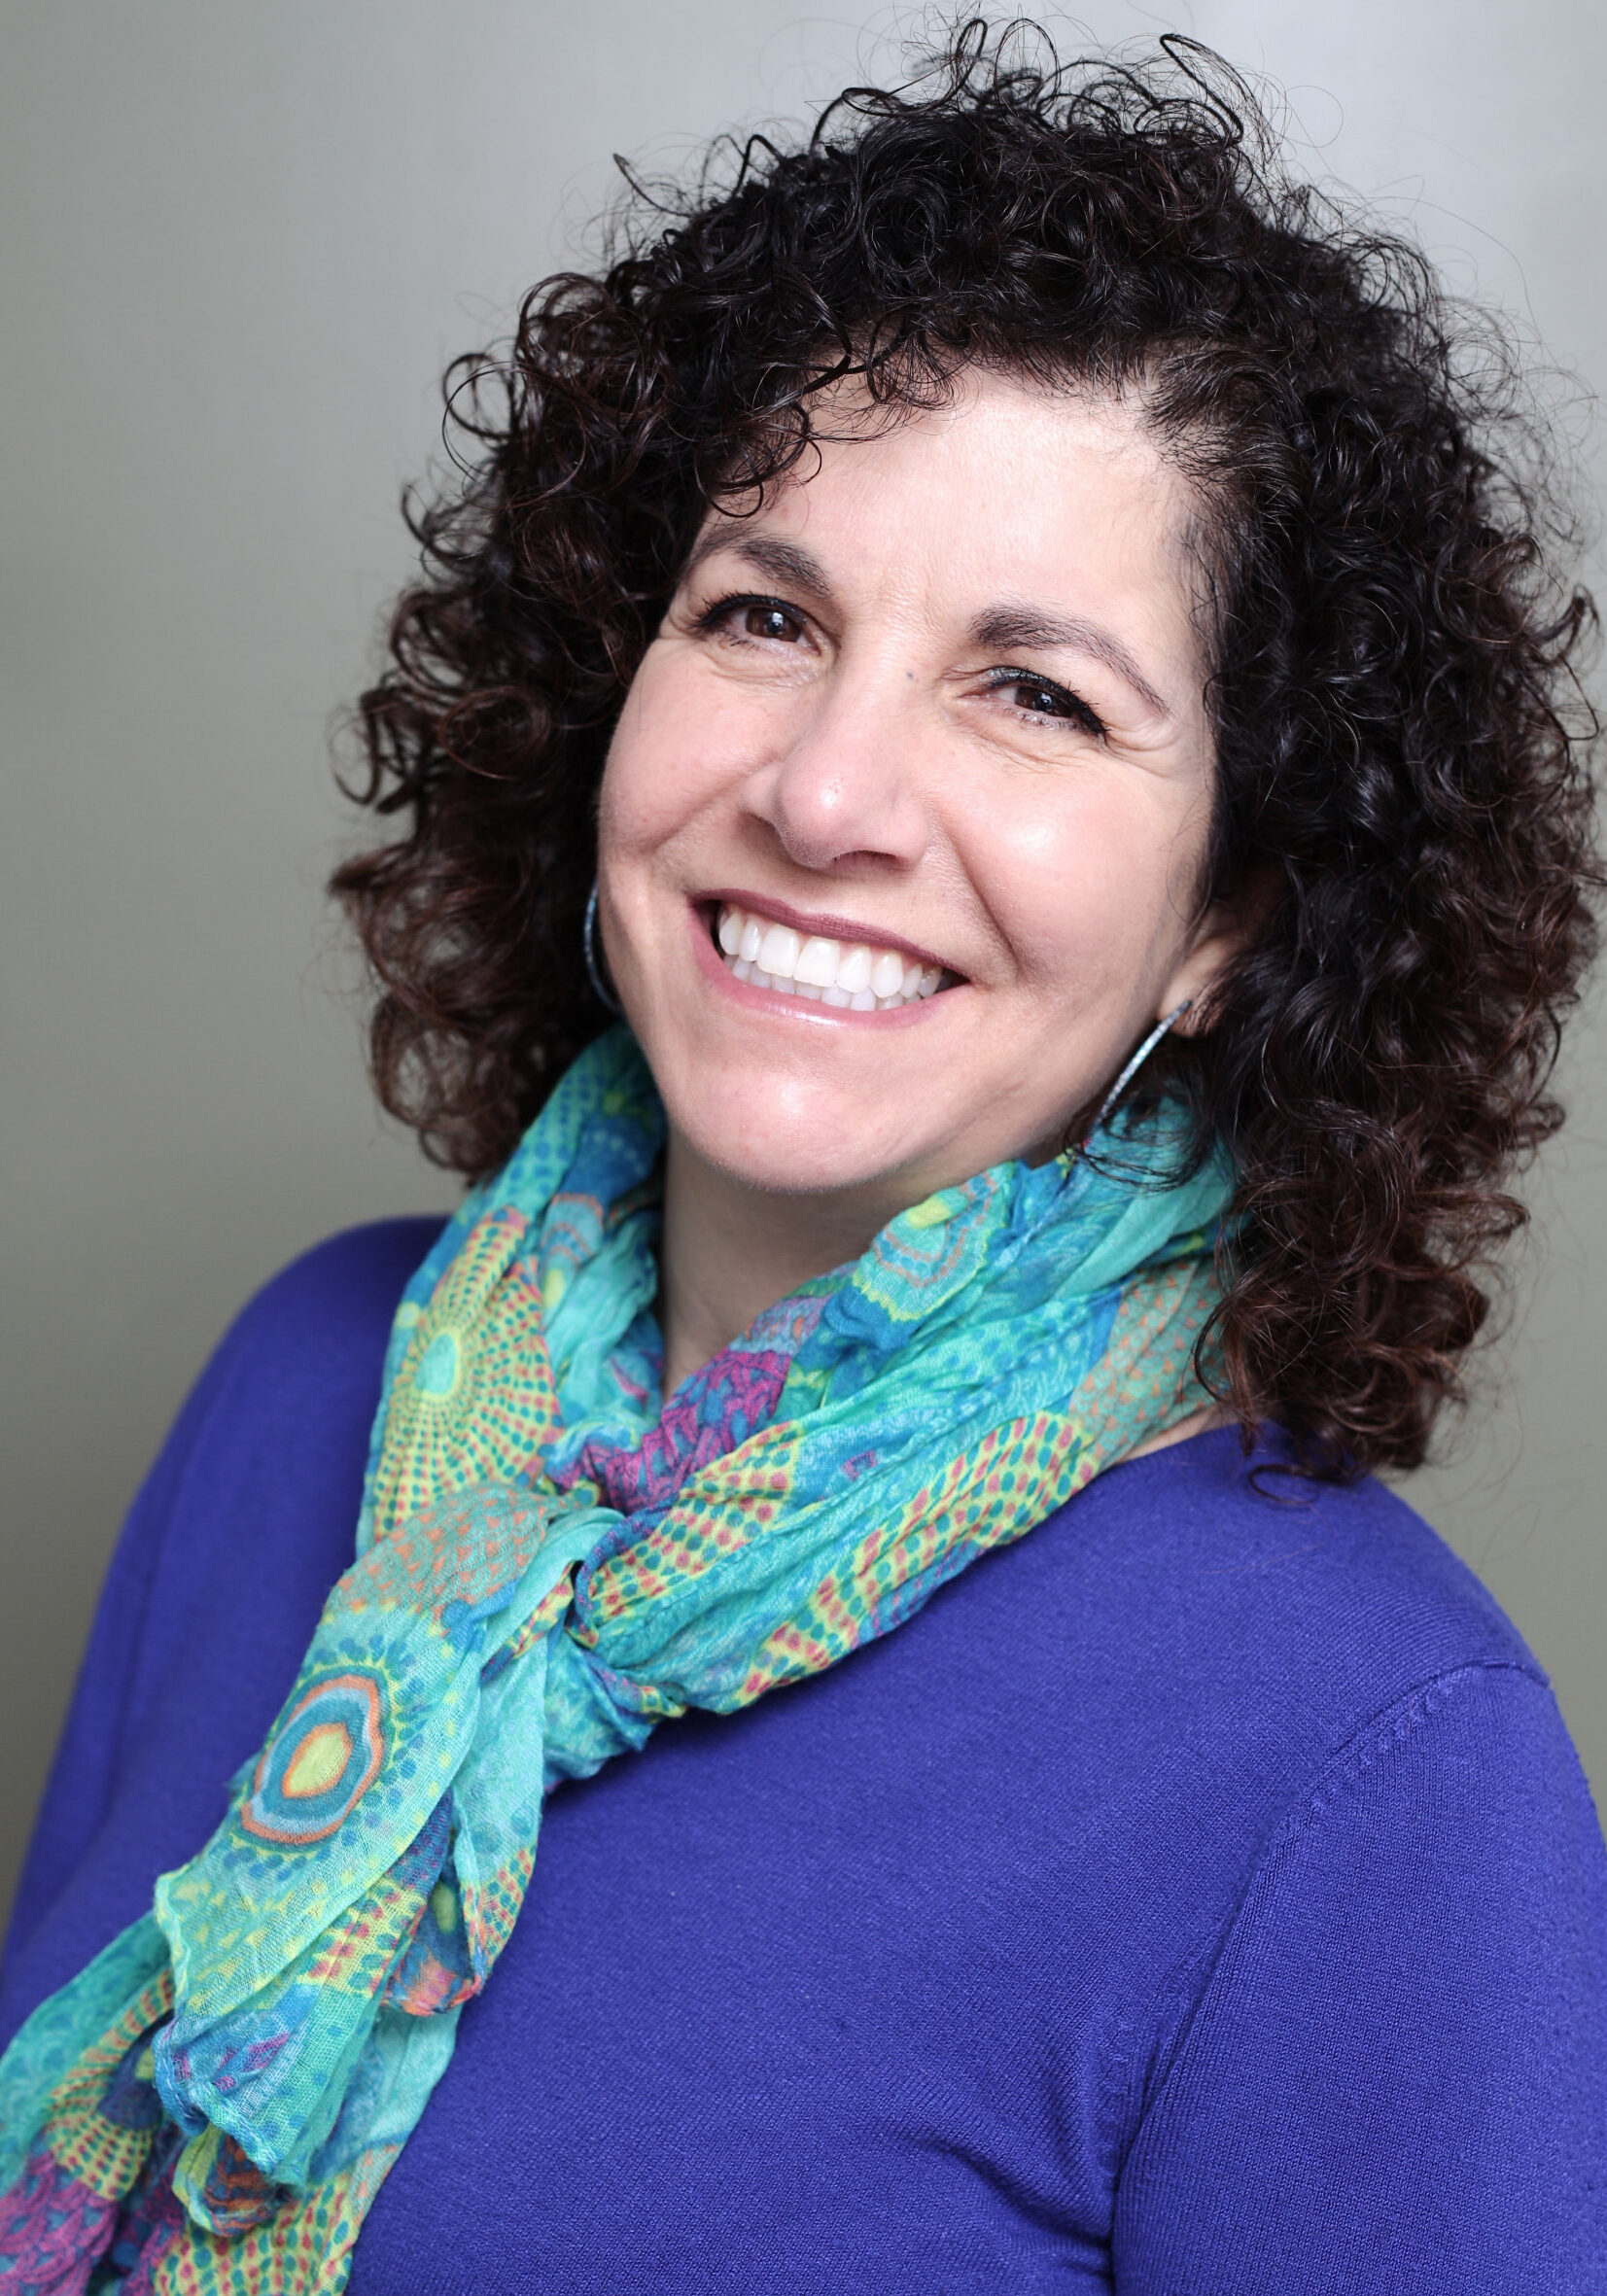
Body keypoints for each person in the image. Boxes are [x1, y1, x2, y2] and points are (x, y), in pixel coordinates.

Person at [1, 26, 1602, 2294]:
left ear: (1243, 909)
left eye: (1033, 692)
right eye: (765, 615)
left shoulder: (1376, 1763)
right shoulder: (298, 1384)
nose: (829, 792)